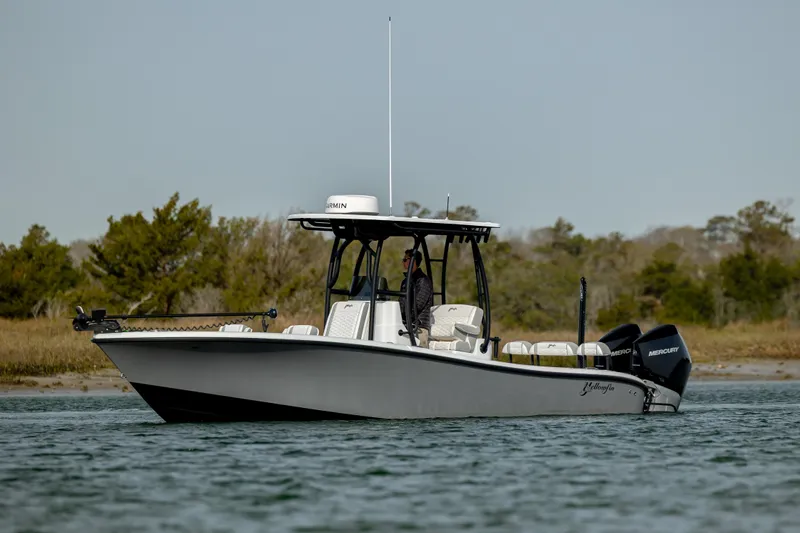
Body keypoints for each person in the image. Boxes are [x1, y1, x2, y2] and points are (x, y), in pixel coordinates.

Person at [399, 249, 433, 348]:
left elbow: (417, 305)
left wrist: (403, 315)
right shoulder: (405, 281)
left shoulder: (423, 281)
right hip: (406, 327)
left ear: (413, 261)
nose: (403, 262)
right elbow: (401, 303)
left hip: (419, 328)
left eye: (405, 259)